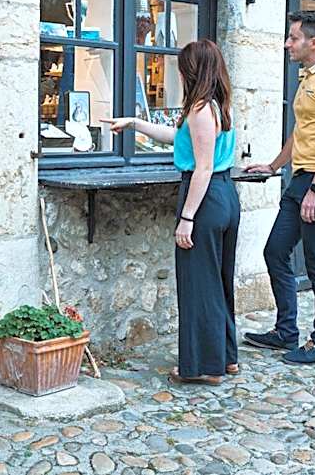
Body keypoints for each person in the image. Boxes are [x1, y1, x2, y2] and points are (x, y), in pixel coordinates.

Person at [102, 39, 240, 384]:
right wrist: (134, 122)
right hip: (223, 195)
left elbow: (202, 168)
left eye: (182, 67)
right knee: (218, 282)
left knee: (199, 285)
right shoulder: (217, 105)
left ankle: (204, 367)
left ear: (192, 70)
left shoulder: (200, 109)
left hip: (206, 198)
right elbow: (176, 137)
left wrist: (187, 217)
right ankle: (225, 357)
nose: (179, 73)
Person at [243, 10, 315, 364]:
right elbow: (302, 131)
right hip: (301, 178)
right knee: (275, 251)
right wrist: (274, 166)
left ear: (314, 42)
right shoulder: (308, 77)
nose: (287, 44)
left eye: (293, 38)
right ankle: (285, 331)